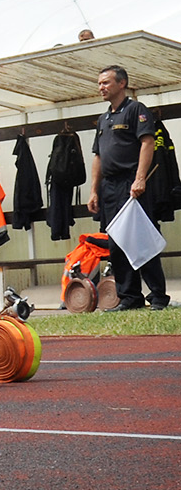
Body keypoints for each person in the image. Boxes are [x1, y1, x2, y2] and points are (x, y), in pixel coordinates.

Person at [87, 64, 169, 311]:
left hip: (131, 184)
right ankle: (129, 297)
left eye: (106, 83)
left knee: (140, 239)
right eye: (100, 83)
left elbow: (147, 143)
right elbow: (98, 157)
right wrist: (94, 190)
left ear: (121, 84)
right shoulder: (104, 118)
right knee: (116, 242)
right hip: (109, 187)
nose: (101, 87)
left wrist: (140, 178)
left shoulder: (136, 110)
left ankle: (157, 297)